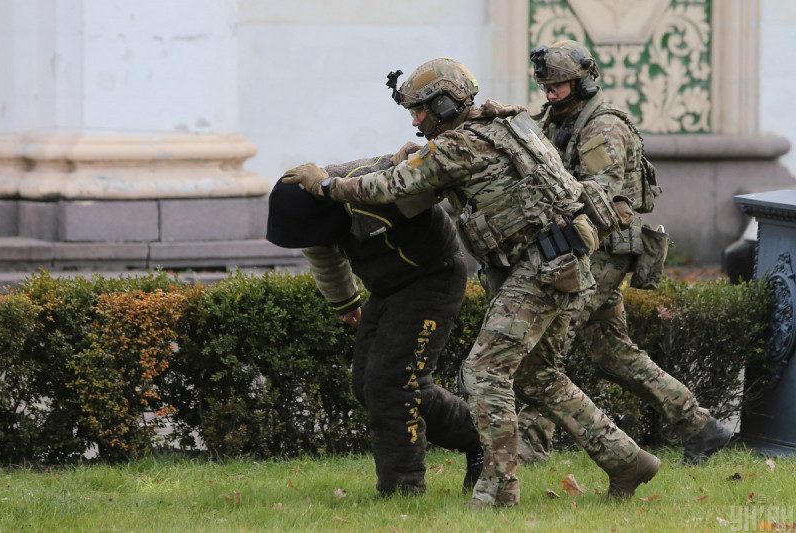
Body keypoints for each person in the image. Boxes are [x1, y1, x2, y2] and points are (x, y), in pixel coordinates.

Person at [281, 57, 661, 507]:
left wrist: (324, 184)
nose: (417, 119)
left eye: (422, 109)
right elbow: (433, 175)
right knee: (539, 376)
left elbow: (384, 189)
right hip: (565, 259)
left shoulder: (458, 147)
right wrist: (411, 160)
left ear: (445, 103)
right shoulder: (505, 120)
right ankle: (627, 461)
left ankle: (499, 489)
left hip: (542, 267)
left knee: (483, 371)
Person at [517, 39, 733, 466]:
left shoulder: (602, 126)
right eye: (547, 83)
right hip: (583, 250)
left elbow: (600, 194)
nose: (550, 90)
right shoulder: (554, 120)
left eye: (560, 83)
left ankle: (528, 448)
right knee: (612, 351)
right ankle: (701, 427)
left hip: (601, 252)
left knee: (543, 345)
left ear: (583, 80)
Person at [266, 152, 483, 497]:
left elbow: (415, 169)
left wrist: (412, 156)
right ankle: (480, 438)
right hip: (386, 289)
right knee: (368, 385)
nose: (316, 242)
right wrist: (346, 303)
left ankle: (403, 488)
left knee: (393, 384)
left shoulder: (358, 186)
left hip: (434, 277)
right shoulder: (312, 216)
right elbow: (324, 257)